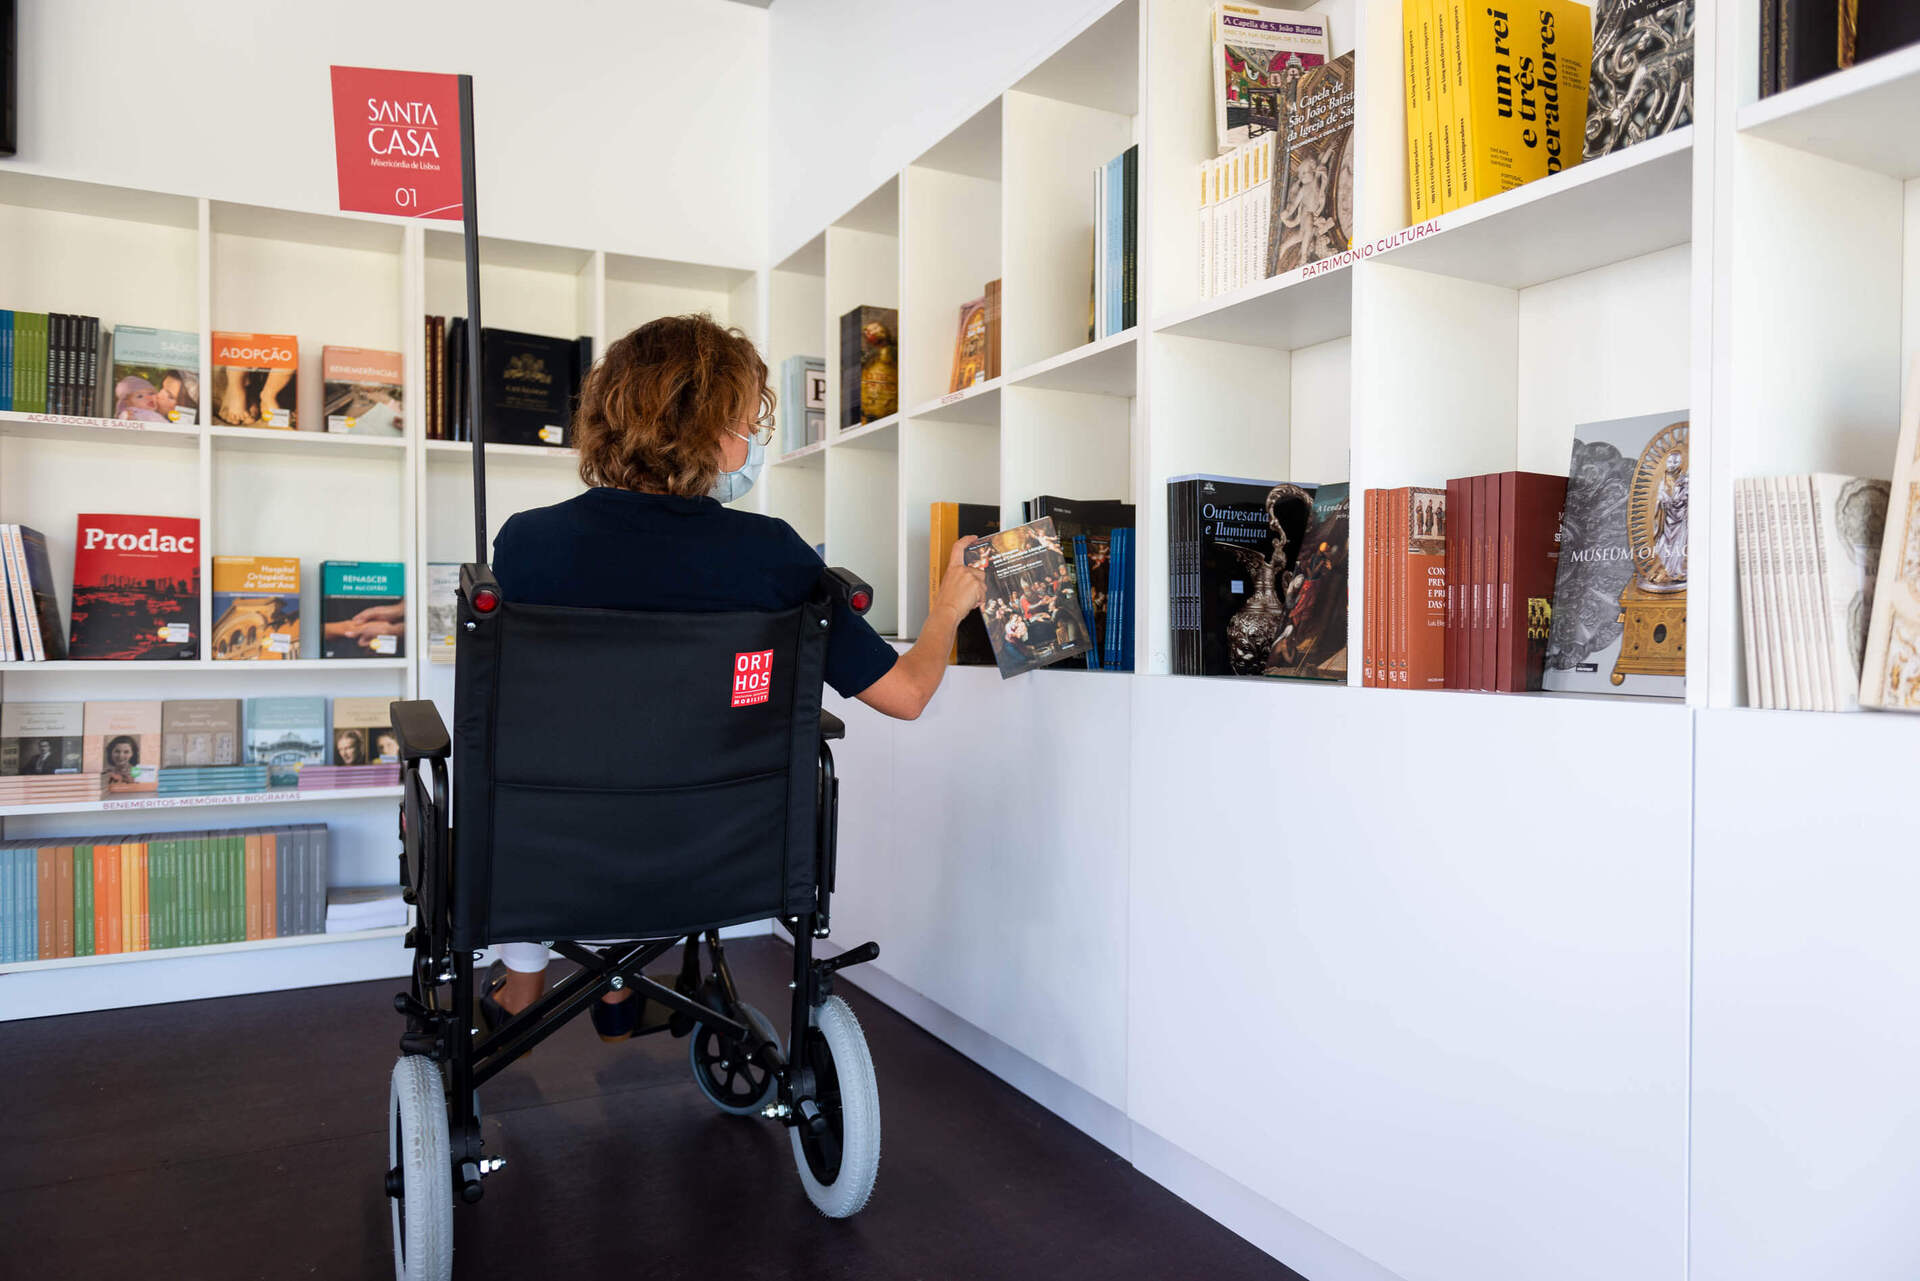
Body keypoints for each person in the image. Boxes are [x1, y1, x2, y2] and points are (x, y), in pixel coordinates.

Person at [483, 313, 986, 1039]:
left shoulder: (528, 543)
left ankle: (524, 983)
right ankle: (620, 979)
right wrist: (946, 608)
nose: (753, 441)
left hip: (560, 849)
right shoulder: (773, 556)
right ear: (708, 428)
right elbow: (906, 694)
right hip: (715, 853)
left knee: (538, 772)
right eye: (748, 421)